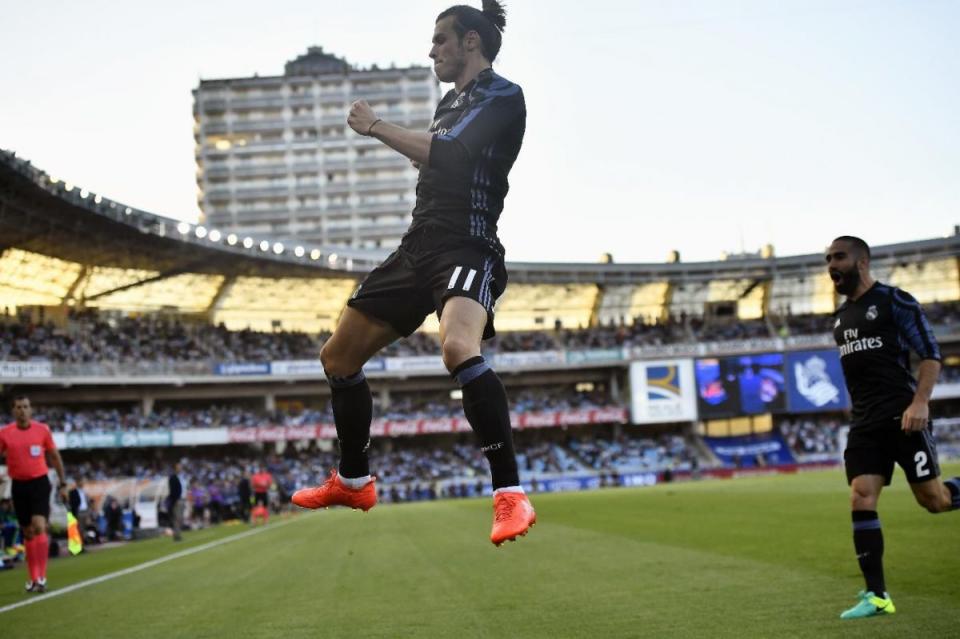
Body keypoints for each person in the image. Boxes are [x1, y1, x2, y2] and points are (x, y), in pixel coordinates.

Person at [292, 0, 536, 545]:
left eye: (441, 40)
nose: (432, 51)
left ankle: (510, 495)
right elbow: (441, 157)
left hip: (467, 246)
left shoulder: (503, 94)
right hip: (416, 248)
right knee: (338, 356)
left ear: (471, 41)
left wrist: (377, 126)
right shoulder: (449, 104)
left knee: (456, 348)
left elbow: (451, 155)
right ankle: (354, 479)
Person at [826, 236, 959, 619]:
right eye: (827, 258)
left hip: (903, 418)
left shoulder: (895, 301)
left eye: (839, 256)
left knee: (934, 501)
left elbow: (930, 354)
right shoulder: (839, 320)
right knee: (861, 496)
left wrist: (920, 402)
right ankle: (877, 596)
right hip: (865, 425)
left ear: (862, 261)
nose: (831, 264)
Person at [0, 395, 67, 593]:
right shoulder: (5, 433)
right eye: (19, 407)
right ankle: (33, 577)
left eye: (26, 406)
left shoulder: (42, 430)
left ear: (31, 410)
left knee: (39, 526)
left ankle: (42, 576)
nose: (22, 410)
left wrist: (63, 482)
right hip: (19, 485)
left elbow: (54, 456)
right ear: (13, 411)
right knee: (28, 532)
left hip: (39, 482)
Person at [166, 463, 183, 541]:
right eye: (178, 467)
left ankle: (178, 534)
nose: (180, 469)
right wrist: (175, 500)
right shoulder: (173, 478)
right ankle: (176, 536)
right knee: (177, 519)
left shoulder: (179, 477)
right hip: (176, 501)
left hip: (179, 500)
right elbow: (173, 491)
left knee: (179, 519)